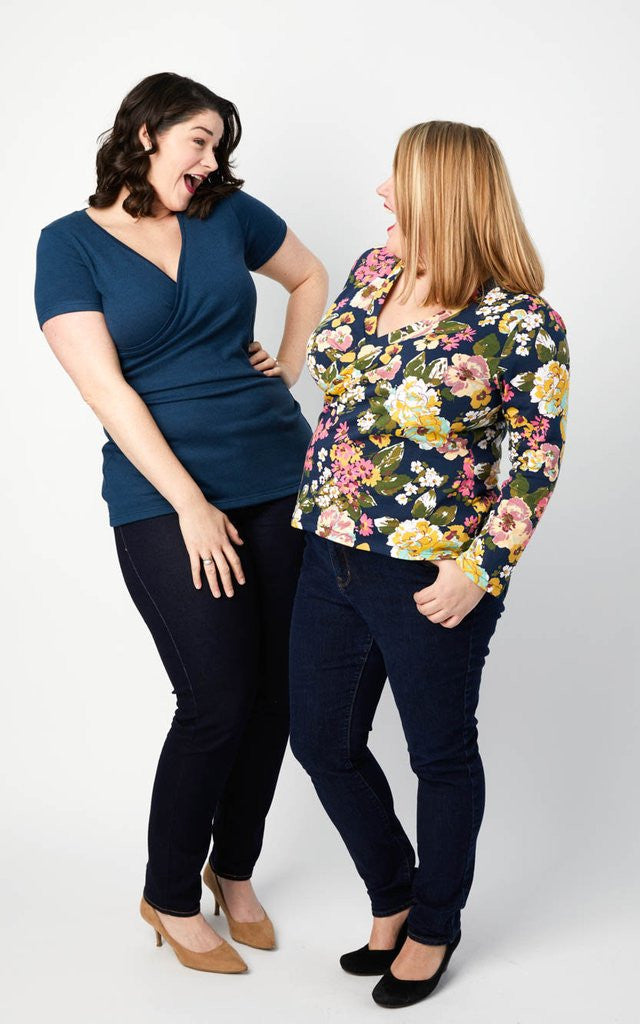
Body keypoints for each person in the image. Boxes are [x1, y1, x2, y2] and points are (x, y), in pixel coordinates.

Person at [34, 71, 327, 974]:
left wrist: (289, 361)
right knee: (215, 699)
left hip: (281, 476)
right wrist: (190, 504)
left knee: (277, 693)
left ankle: (232, 871)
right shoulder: (67, 245)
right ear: (147, 132)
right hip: (164, 499)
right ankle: (168, 893)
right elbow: (106, 392)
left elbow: (309, 275)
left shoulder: (225, 214)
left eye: (218, 147)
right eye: (199, 140)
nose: (210, 161)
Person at [288, 120, 569, 1008]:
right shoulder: (376, 270)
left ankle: (435, 924)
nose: (381, 191)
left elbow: (537, 458)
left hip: (428, 573)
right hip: (327, 548)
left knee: (439, 754)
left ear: (441, 195)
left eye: (397, 178)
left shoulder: (521, 321)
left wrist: (482, 569)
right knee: (321, 741)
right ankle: (394, 894)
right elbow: (340, 384)